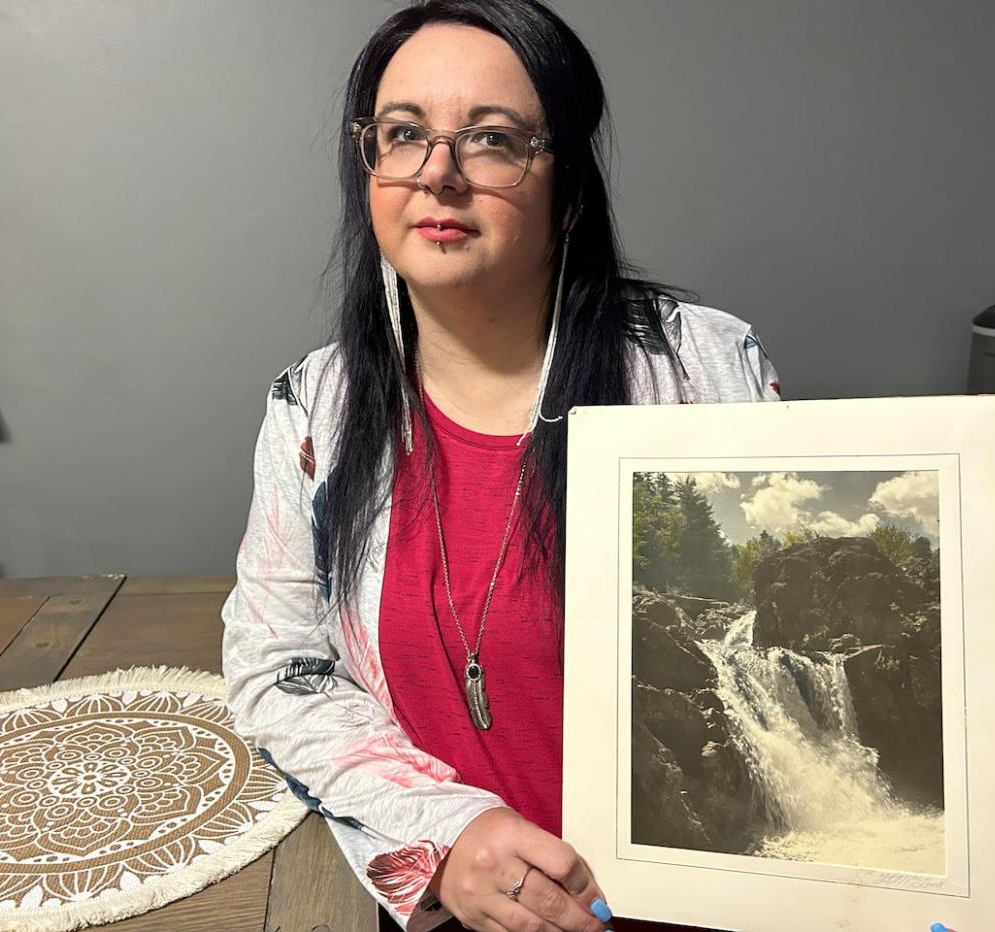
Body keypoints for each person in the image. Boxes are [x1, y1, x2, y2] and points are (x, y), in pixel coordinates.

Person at [220, 1, 780, 930]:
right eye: (404, 134)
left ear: (567, 194)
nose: (438, 175)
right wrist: (447, 833)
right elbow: (281, 670)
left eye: (492, 139)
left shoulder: (700, 368)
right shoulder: (312, 409)